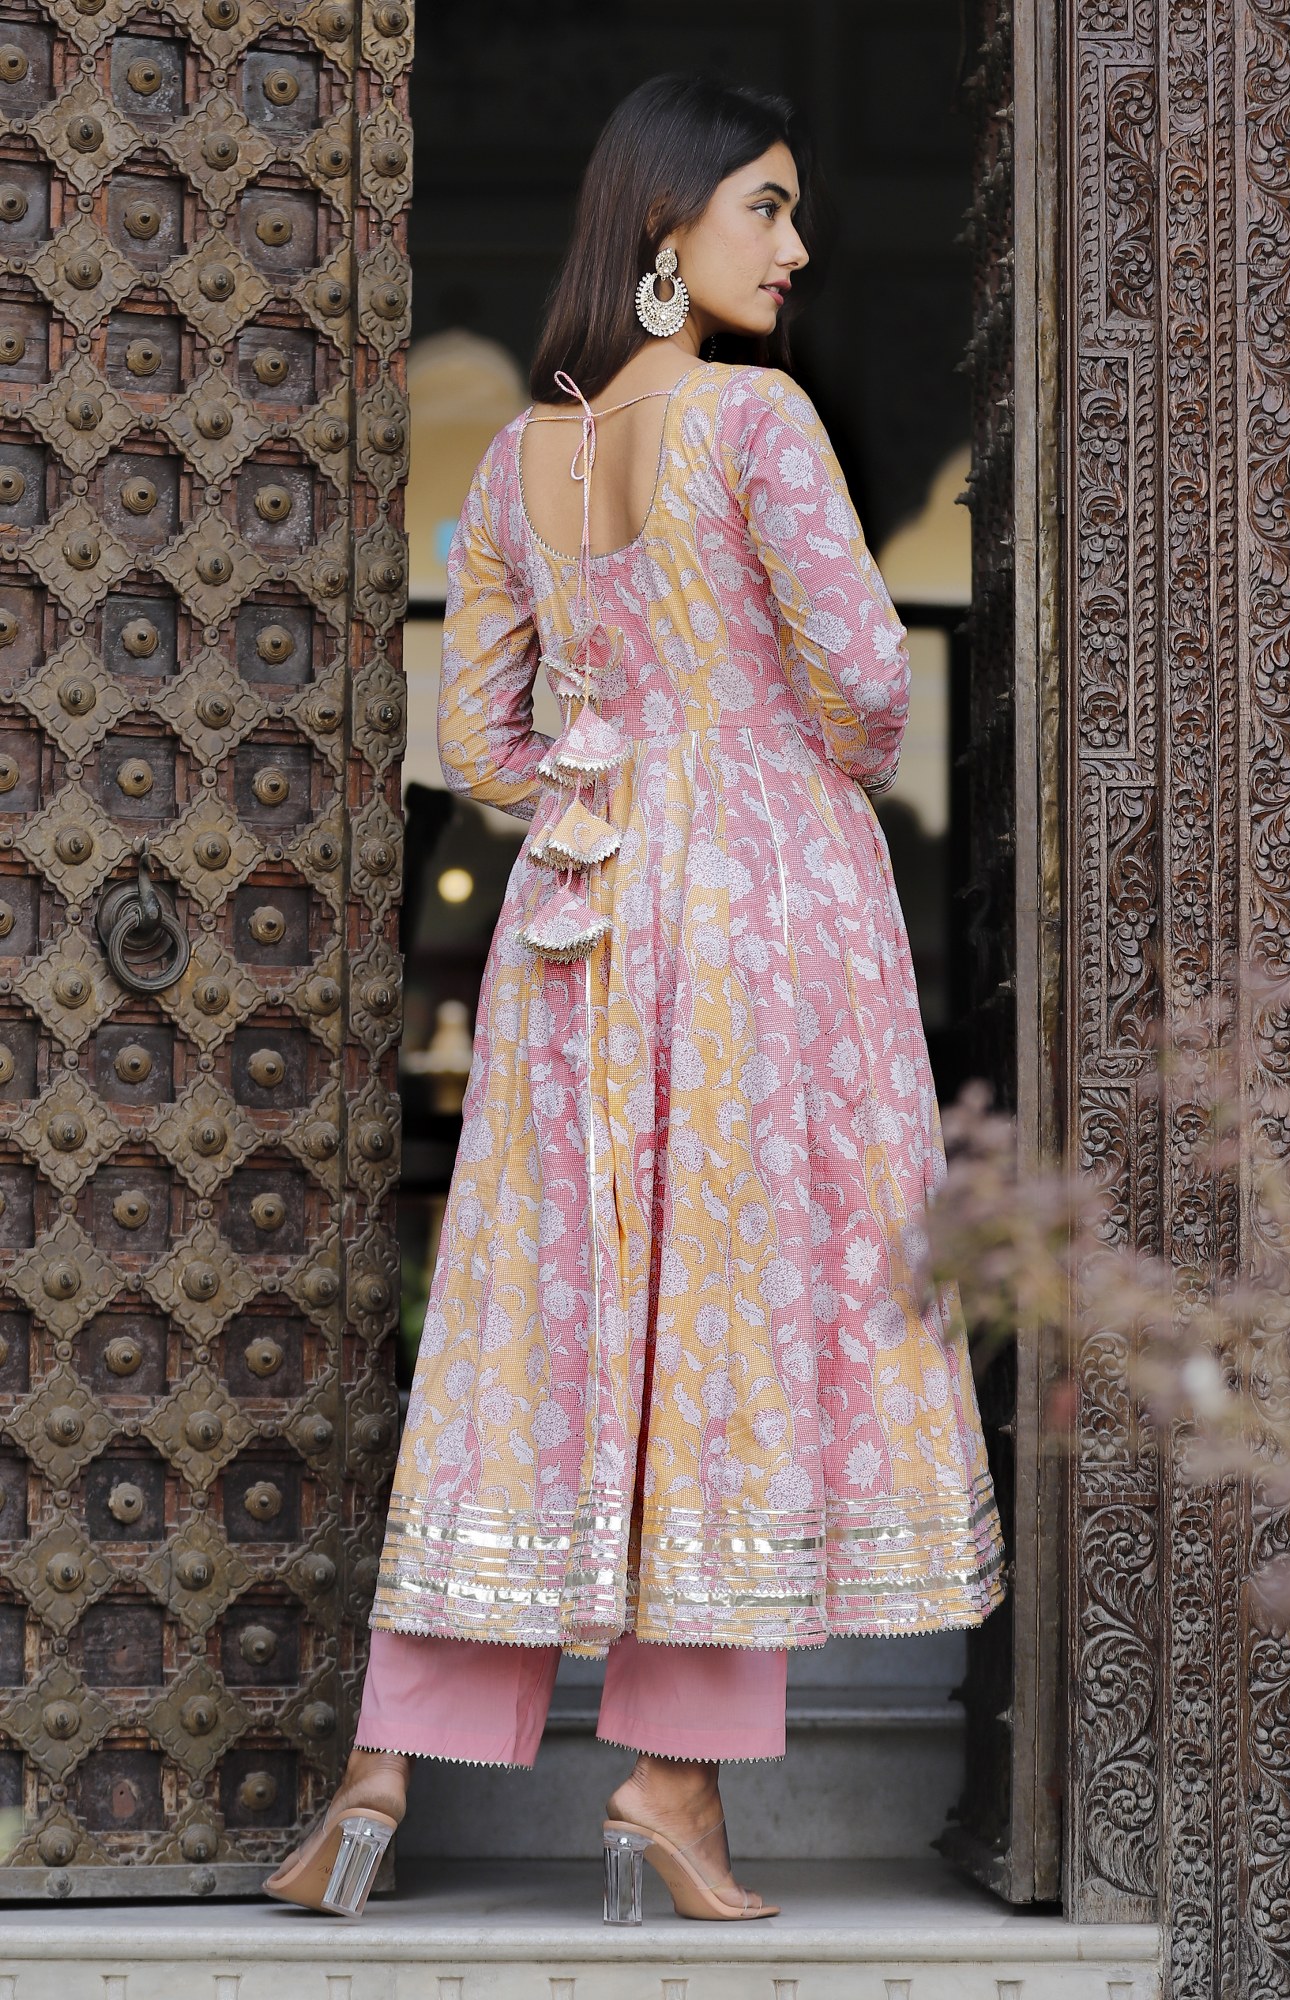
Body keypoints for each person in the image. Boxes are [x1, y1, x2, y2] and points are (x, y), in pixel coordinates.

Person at [264, 71, 1004, 1926]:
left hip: (578, 921)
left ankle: (378, 1772)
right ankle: (670, 1782)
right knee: (727, 1326)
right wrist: (764, 763)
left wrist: (612, 777)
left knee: (537, 1324)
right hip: (758, 912)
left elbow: (480, 739)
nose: (797, 245)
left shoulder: (519, 460)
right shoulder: (755, 422)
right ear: (667, 223)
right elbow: (869, 684)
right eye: (768, 206)